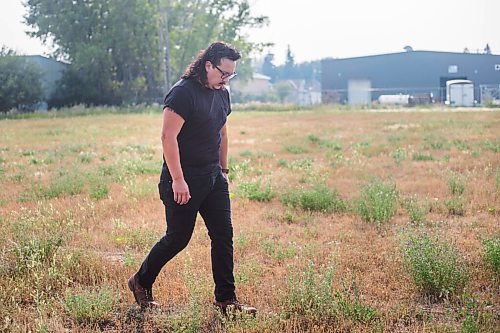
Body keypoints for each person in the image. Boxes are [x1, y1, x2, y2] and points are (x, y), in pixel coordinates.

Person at [128, 41, 256, 315]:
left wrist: (223, 171)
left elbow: (222, 132)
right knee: (178, 238)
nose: (226, 80)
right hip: (183, 180)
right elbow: (167, 137)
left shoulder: (222, 94)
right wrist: (178, 179)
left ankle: (226, 301)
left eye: (231, 75)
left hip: (213, 177)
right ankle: (140, 280)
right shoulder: (182, 93)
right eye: (223, 73)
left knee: (224, 235)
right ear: (208, 65)